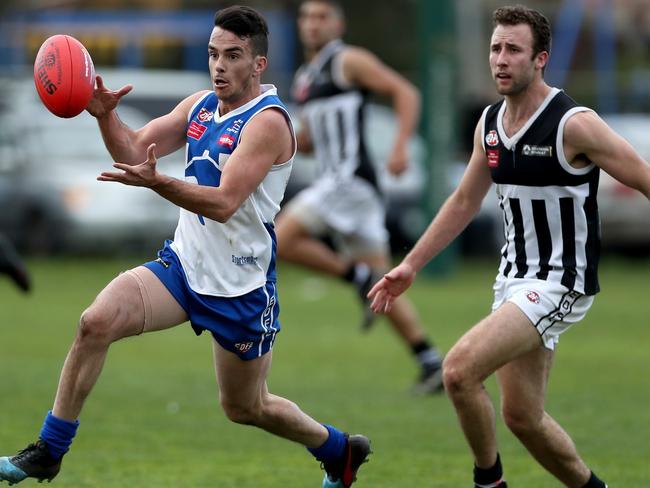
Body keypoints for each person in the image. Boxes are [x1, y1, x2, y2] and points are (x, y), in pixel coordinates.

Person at [0, 7, 370, 488]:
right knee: (95, 323)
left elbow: (223, 202)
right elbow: (134, 152)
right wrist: (106, 115)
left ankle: (338, 449)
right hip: (181, 268)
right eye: (214, 54)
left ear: (258, 64)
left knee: (246, 407)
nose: (219, 65)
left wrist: (159, 184)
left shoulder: (269, 123)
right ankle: (49, 450)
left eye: (233, 56)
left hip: (239, 289)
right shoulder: (199, 106)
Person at [369, 5, 650, 488]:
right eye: (495, 48)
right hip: (513, 280)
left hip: (561, 280)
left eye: (513, 50)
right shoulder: (490, 123)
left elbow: (644, 177)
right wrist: (410, 265)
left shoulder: (573, 124)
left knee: (458, 370)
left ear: (540, 58)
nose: (500, 59)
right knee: (523, 418)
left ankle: (488, 483)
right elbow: (462, 202)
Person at [275, 0, 443, 394]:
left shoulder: (348, 60)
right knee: (384, 287)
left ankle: (356, 275)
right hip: (350, 189)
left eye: (322, 17)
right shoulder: (305, 76)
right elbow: (312, 141)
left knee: (279, 241)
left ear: (338, 23)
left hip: (348, 181)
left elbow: (406, 93)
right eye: (306, 17)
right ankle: (429, 360)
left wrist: (400, 145)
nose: (312, 24)